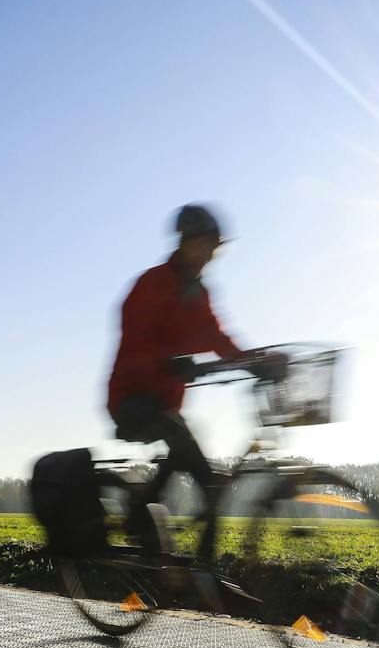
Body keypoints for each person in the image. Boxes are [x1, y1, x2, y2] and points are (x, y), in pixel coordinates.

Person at [106, 204, 279, 551]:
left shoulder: (198, 292)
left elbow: (216, 337)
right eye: (205, 245)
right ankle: (141, 521)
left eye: (215, 248)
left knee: (204, 475)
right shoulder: (153, 283)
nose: (210, 255)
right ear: (185, 242)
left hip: (166, 403)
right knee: (198, 465)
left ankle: (195, 560)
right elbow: (135, 335)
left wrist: (255, 360)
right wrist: (168, 361)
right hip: (133, 397)